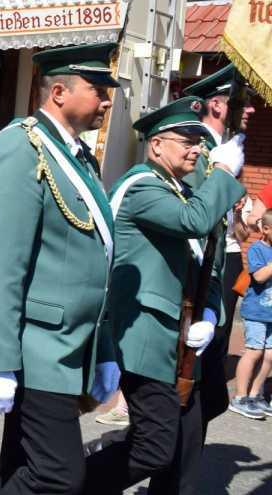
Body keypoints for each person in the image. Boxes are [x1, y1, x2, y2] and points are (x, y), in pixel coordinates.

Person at [0, 43, 121, 494]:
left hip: (69, 346)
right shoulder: (22, 146)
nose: (107, 101)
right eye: (97, 89)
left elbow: (99, 257)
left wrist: (103, 346)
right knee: (59, 475)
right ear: (61, 92)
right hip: (36, 349)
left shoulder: (76, 156)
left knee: (19, 466)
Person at [82, 97, 245, 492]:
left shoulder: (175, 189)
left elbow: (201, 262)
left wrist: (209, 311)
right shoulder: (143, 187)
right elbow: (196, 221)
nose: (196, 148)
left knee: (177, 442)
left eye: (200, 141)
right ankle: (69, 483)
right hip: (143, 338)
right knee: (156, 448)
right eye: (186, 140)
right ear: (156, 145)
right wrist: (222, 171)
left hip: (174, 338)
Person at [182, 64, 258, 432]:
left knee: (209, 394)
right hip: (198, 270)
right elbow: (194, 217)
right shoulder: (199, 151)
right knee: (193, 388)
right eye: (241, 101)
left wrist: (244, 213)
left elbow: (238, 231)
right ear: (216, 104)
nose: (251, 109)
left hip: (223, 265)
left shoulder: (228, 153)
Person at [231, 214, 272, 419]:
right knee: (254, 352)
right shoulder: (258, 249)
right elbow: (259, 276)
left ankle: (256, 395)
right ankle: (240, 397)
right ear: (265, 229)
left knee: (270, 355)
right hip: (257, 311)